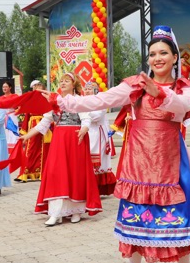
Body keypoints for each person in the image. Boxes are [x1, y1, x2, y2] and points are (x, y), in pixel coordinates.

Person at [43, 26, 190, 263]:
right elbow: (100, 99)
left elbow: (181, 108)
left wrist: (160, 93)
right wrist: (62, 100)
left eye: (163, 53)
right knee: (133, 224)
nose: (157, 58)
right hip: (138, 162)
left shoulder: (186, 89)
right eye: (153, 54)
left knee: (180, 224)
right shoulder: (135, 84)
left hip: (171, 162)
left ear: (174, 57)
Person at [23, 73, 102, 226]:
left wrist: (84, 129)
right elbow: (43, 124)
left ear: (74, 84)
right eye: (61, 81)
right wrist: (27, 136)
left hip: (75, 140)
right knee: (56, 173)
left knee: (75, 174)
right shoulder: (54, 101)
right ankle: (56, 213)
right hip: (59, 142)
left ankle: (76, 210)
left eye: (67, 81)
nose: (63, 83)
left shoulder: (79, 100)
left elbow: (86, 119)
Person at [84, 81, 117, 196]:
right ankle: (88, 187)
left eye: (90, 89)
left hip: (98, 135)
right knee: (86, 160)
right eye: (86, 89)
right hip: (86, 133)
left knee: (98, 162)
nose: (87, 91)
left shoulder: (100, 102)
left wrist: (83, 112)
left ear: (95, 91)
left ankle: (98, 188)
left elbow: (96, 117)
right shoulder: (83, 102)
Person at [16, 81, 51, 182]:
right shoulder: (31, 99)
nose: (37, 88)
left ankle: (42, 172)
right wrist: (24, 131)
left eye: (39, 86)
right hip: (33, 125)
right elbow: (27, 115)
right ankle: (25, 172)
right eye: (35, 87)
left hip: (45, 124)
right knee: (30, 149)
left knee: (43, 150)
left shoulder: (47, 98)